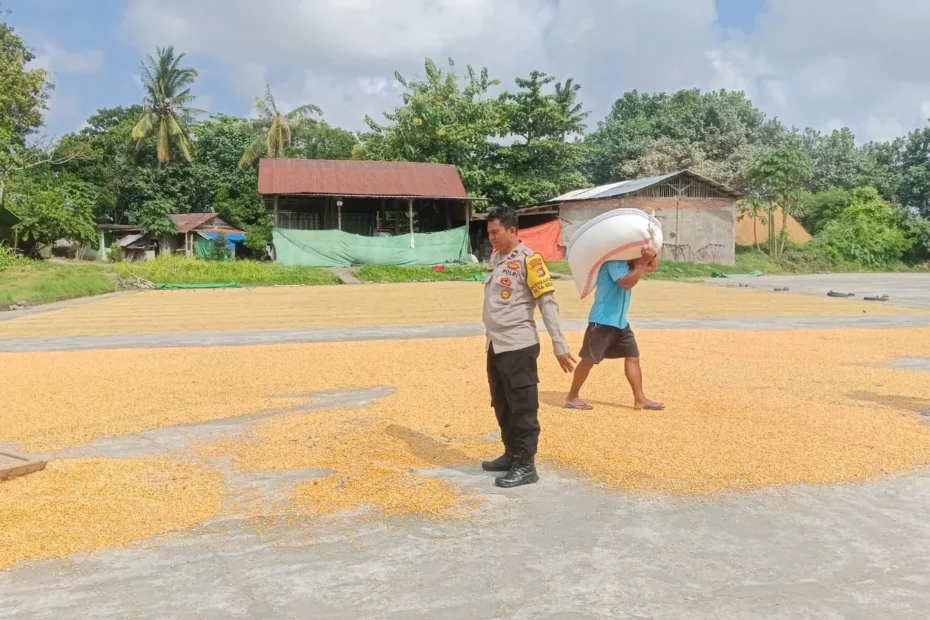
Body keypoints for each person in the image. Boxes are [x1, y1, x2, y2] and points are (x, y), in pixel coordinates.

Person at [481, 206, 577, 488]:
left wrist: (559, 345)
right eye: (489, 233)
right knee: (502, 403)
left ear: (512, 230)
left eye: (495, 232)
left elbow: (547, 303)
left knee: (523, 406)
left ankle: (526, 464)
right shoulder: (497, 258)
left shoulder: (530, 261)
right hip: (495, 345)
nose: (491, 238)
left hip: (518, 345)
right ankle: (511, 453)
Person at [564, 248, 664, 412]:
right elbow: (625, 284)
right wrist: (640, 264)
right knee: (588, 359)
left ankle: (640, 399)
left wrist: (650, 254)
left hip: (620, 322)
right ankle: (572, 397)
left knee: (632, 357)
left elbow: (652, 267)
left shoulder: (628, 265)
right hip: (602, 321)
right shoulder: (614, 263)